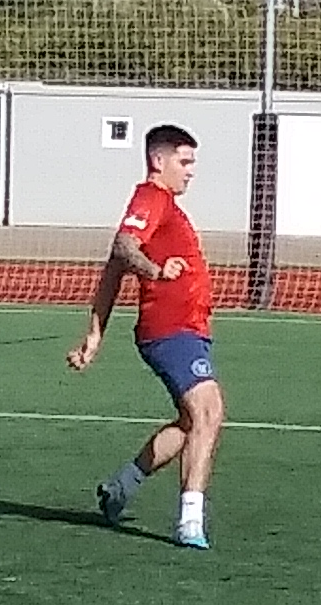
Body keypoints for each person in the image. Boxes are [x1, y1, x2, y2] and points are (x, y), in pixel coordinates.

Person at [69, 124, 221, 550]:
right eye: (184, 161)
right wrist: (156, 271)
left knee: (191, 422)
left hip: (187, 330)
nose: (191, 171)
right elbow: (123, 247)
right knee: (209, 411)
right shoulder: (151, 197)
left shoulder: (165, 206)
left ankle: (121, 487)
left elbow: (112, 270)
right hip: (171, 330)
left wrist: (94, 334)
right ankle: (190, 520)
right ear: (158, 160)